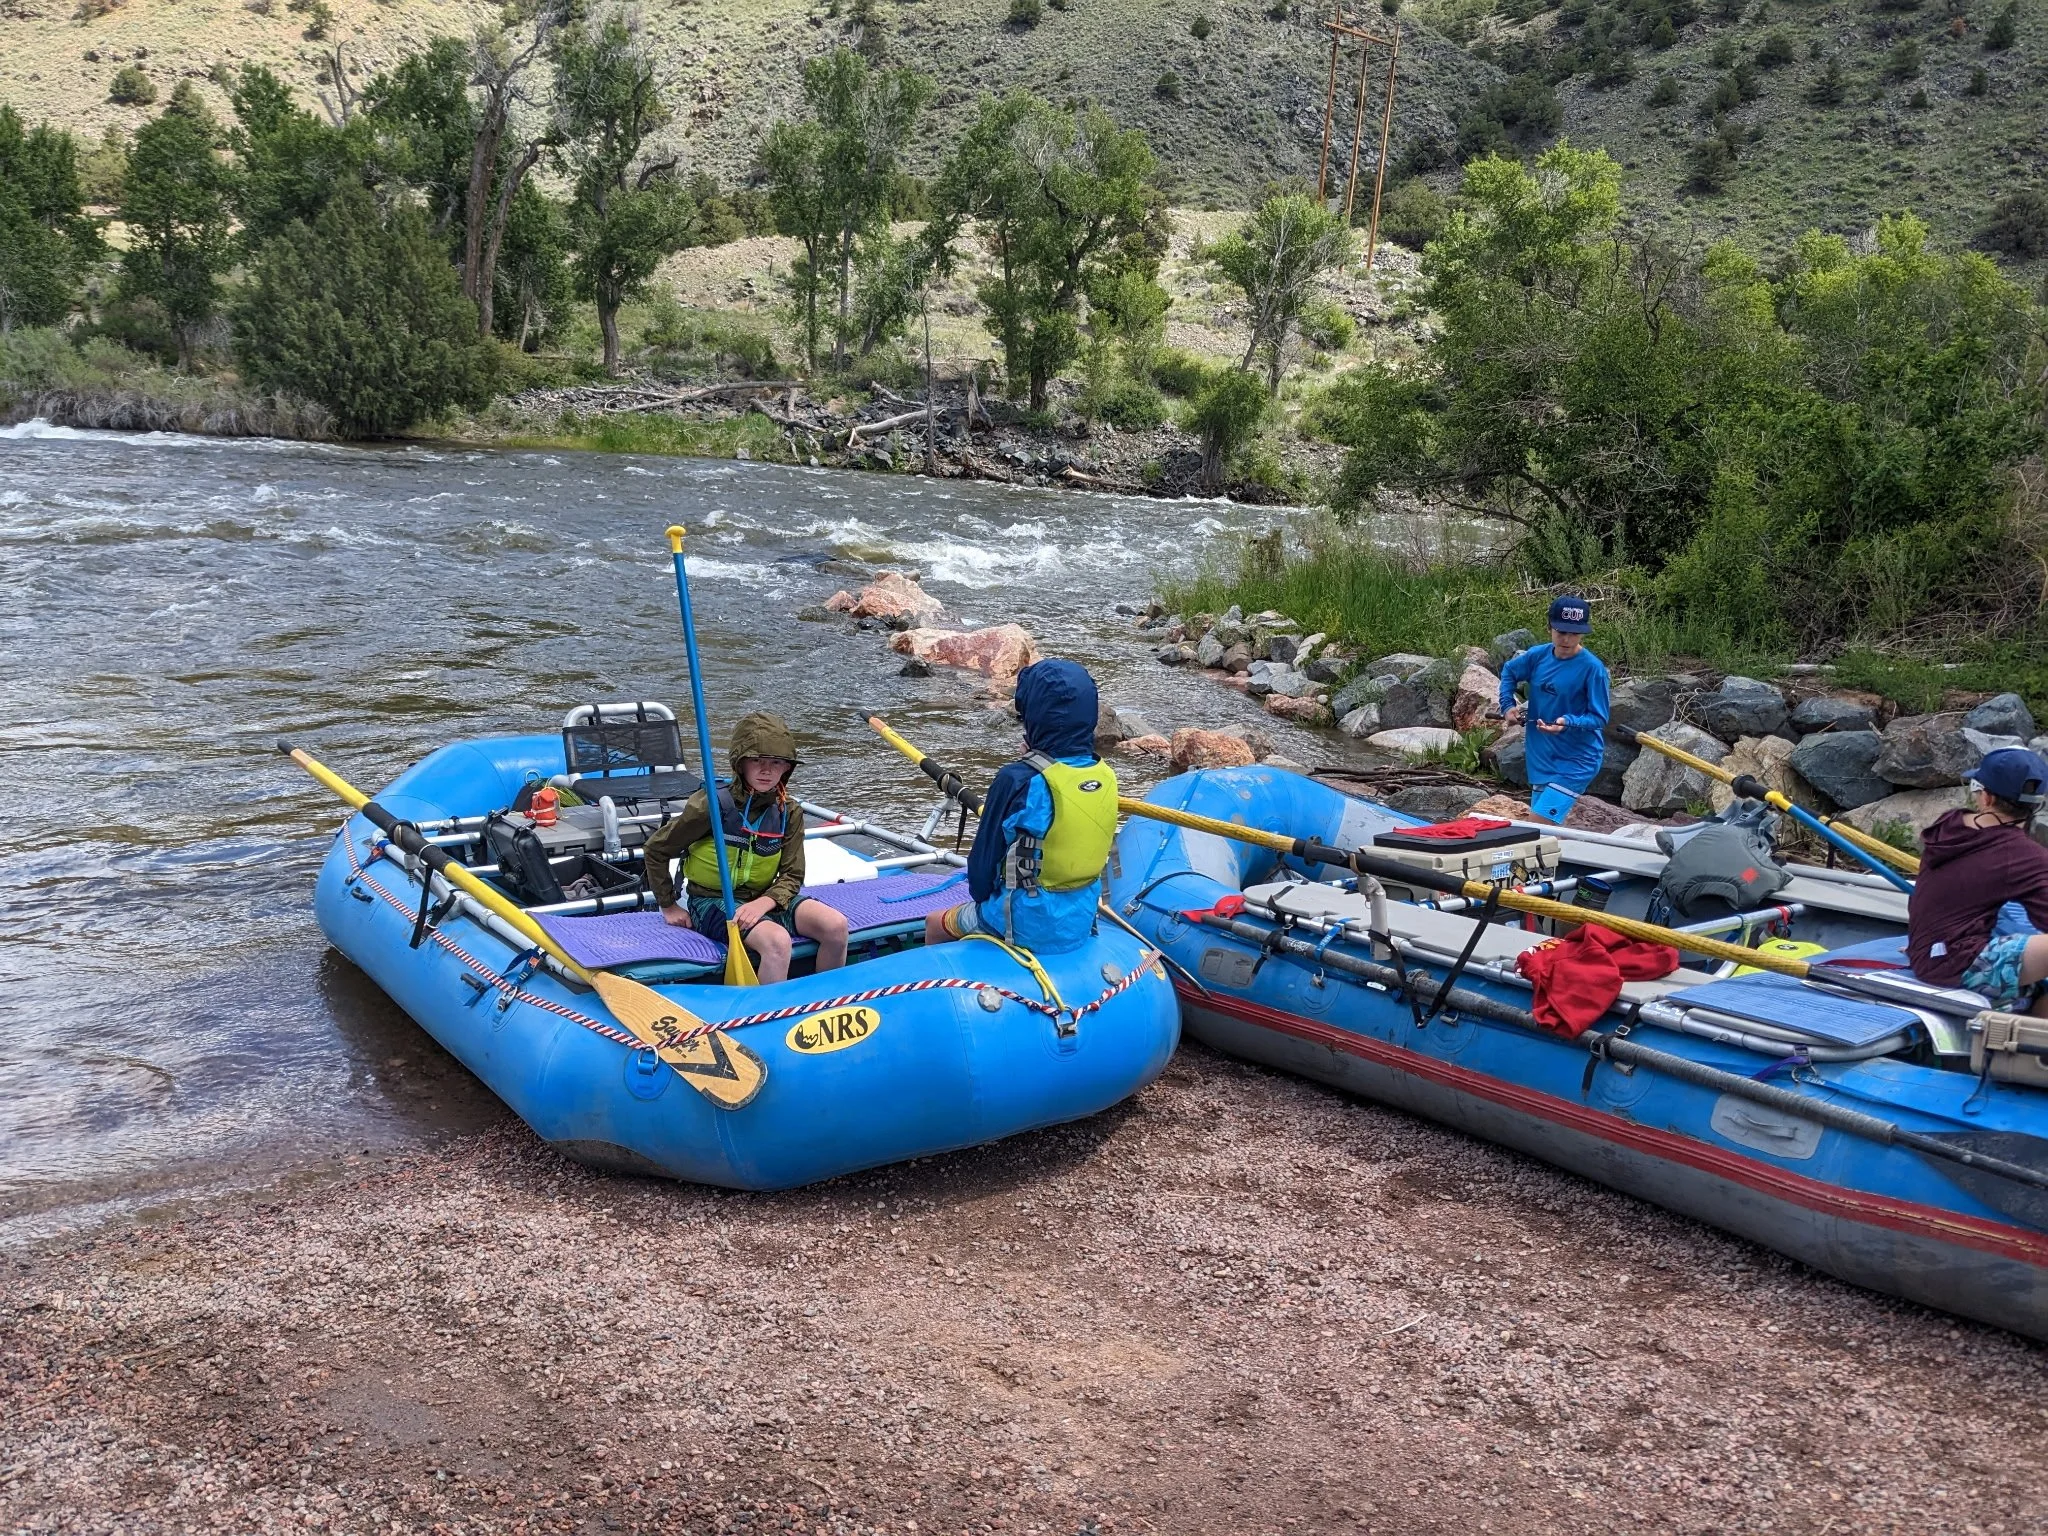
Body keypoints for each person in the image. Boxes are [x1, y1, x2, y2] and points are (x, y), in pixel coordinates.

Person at [925, 658, 1119, 956]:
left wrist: (1031, 759)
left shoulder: (1017, 779)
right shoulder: (1105, 775)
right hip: (1080, 920)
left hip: (1022, 925)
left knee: (935, 922)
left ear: (1032, 715)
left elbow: (980, 878)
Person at [641, 712, 849, 985]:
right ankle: (770, 1017)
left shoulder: (789, 811)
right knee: (777, 942)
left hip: (767, 898)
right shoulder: (711, 806)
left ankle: (827, 1003)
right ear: (741, 764)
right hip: (711, 902)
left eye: (776, 763)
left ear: (787, 768)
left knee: (836, 926)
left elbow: (792, 876)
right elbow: (656, 849)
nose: (767, 770)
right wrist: (668, 905)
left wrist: (764, 903)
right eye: (757, 761)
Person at [1907, 747, 2048, 1016]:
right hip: (1956, 963)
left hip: (1926, 951)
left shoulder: (1948, 823)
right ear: (2036, 805)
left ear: (1985, 797)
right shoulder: (2022, 855)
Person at [1497, 595, 1611, 818]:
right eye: (1561, 632)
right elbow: (1509, 672)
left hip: (1577, 761)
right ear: (1549, 627)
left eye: (1574, 633)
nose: (1567, 639)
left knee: (1537, 827)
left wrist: (1567, 722)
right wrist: (1507, 705)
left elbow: (1599, 718)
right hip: (1541, 757)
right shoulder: (1537, 656)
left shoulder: (1593, 669)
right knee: (1547, 835)